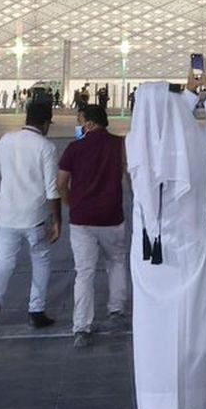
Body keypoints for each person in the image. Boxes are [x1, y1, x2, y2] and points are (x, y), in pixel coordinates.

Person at [127, 77, 206, 409]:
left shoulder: (135, 144)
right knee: (188, 332)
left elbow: (159, 117)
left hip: (148, 258)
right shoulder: (193, 144)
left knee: (152, 333)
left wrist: (185, 95)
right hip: (188, 255)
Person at [0, 96, 62, 339]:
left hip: (5, 213)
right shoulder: (46, 147)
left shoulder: (6, 140)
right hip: (34, 216)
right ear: (46, 123)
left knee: (3, 262)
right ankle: (36, 311)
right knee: (41, 259)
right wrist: (57, 221)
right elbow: (52, 190)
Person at [57, 104, 128, 348]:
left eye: (79, 120)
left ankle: (82, 327)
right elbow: (127, 176)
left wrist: (70, 203)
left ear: (88, 123)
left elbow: (61, 183)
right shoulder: (120, 145)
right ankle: (116, 310)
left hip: (82, 219)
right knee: (116, 262)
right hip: (112, 216)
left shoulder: (74, 148)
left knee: (84, 273)